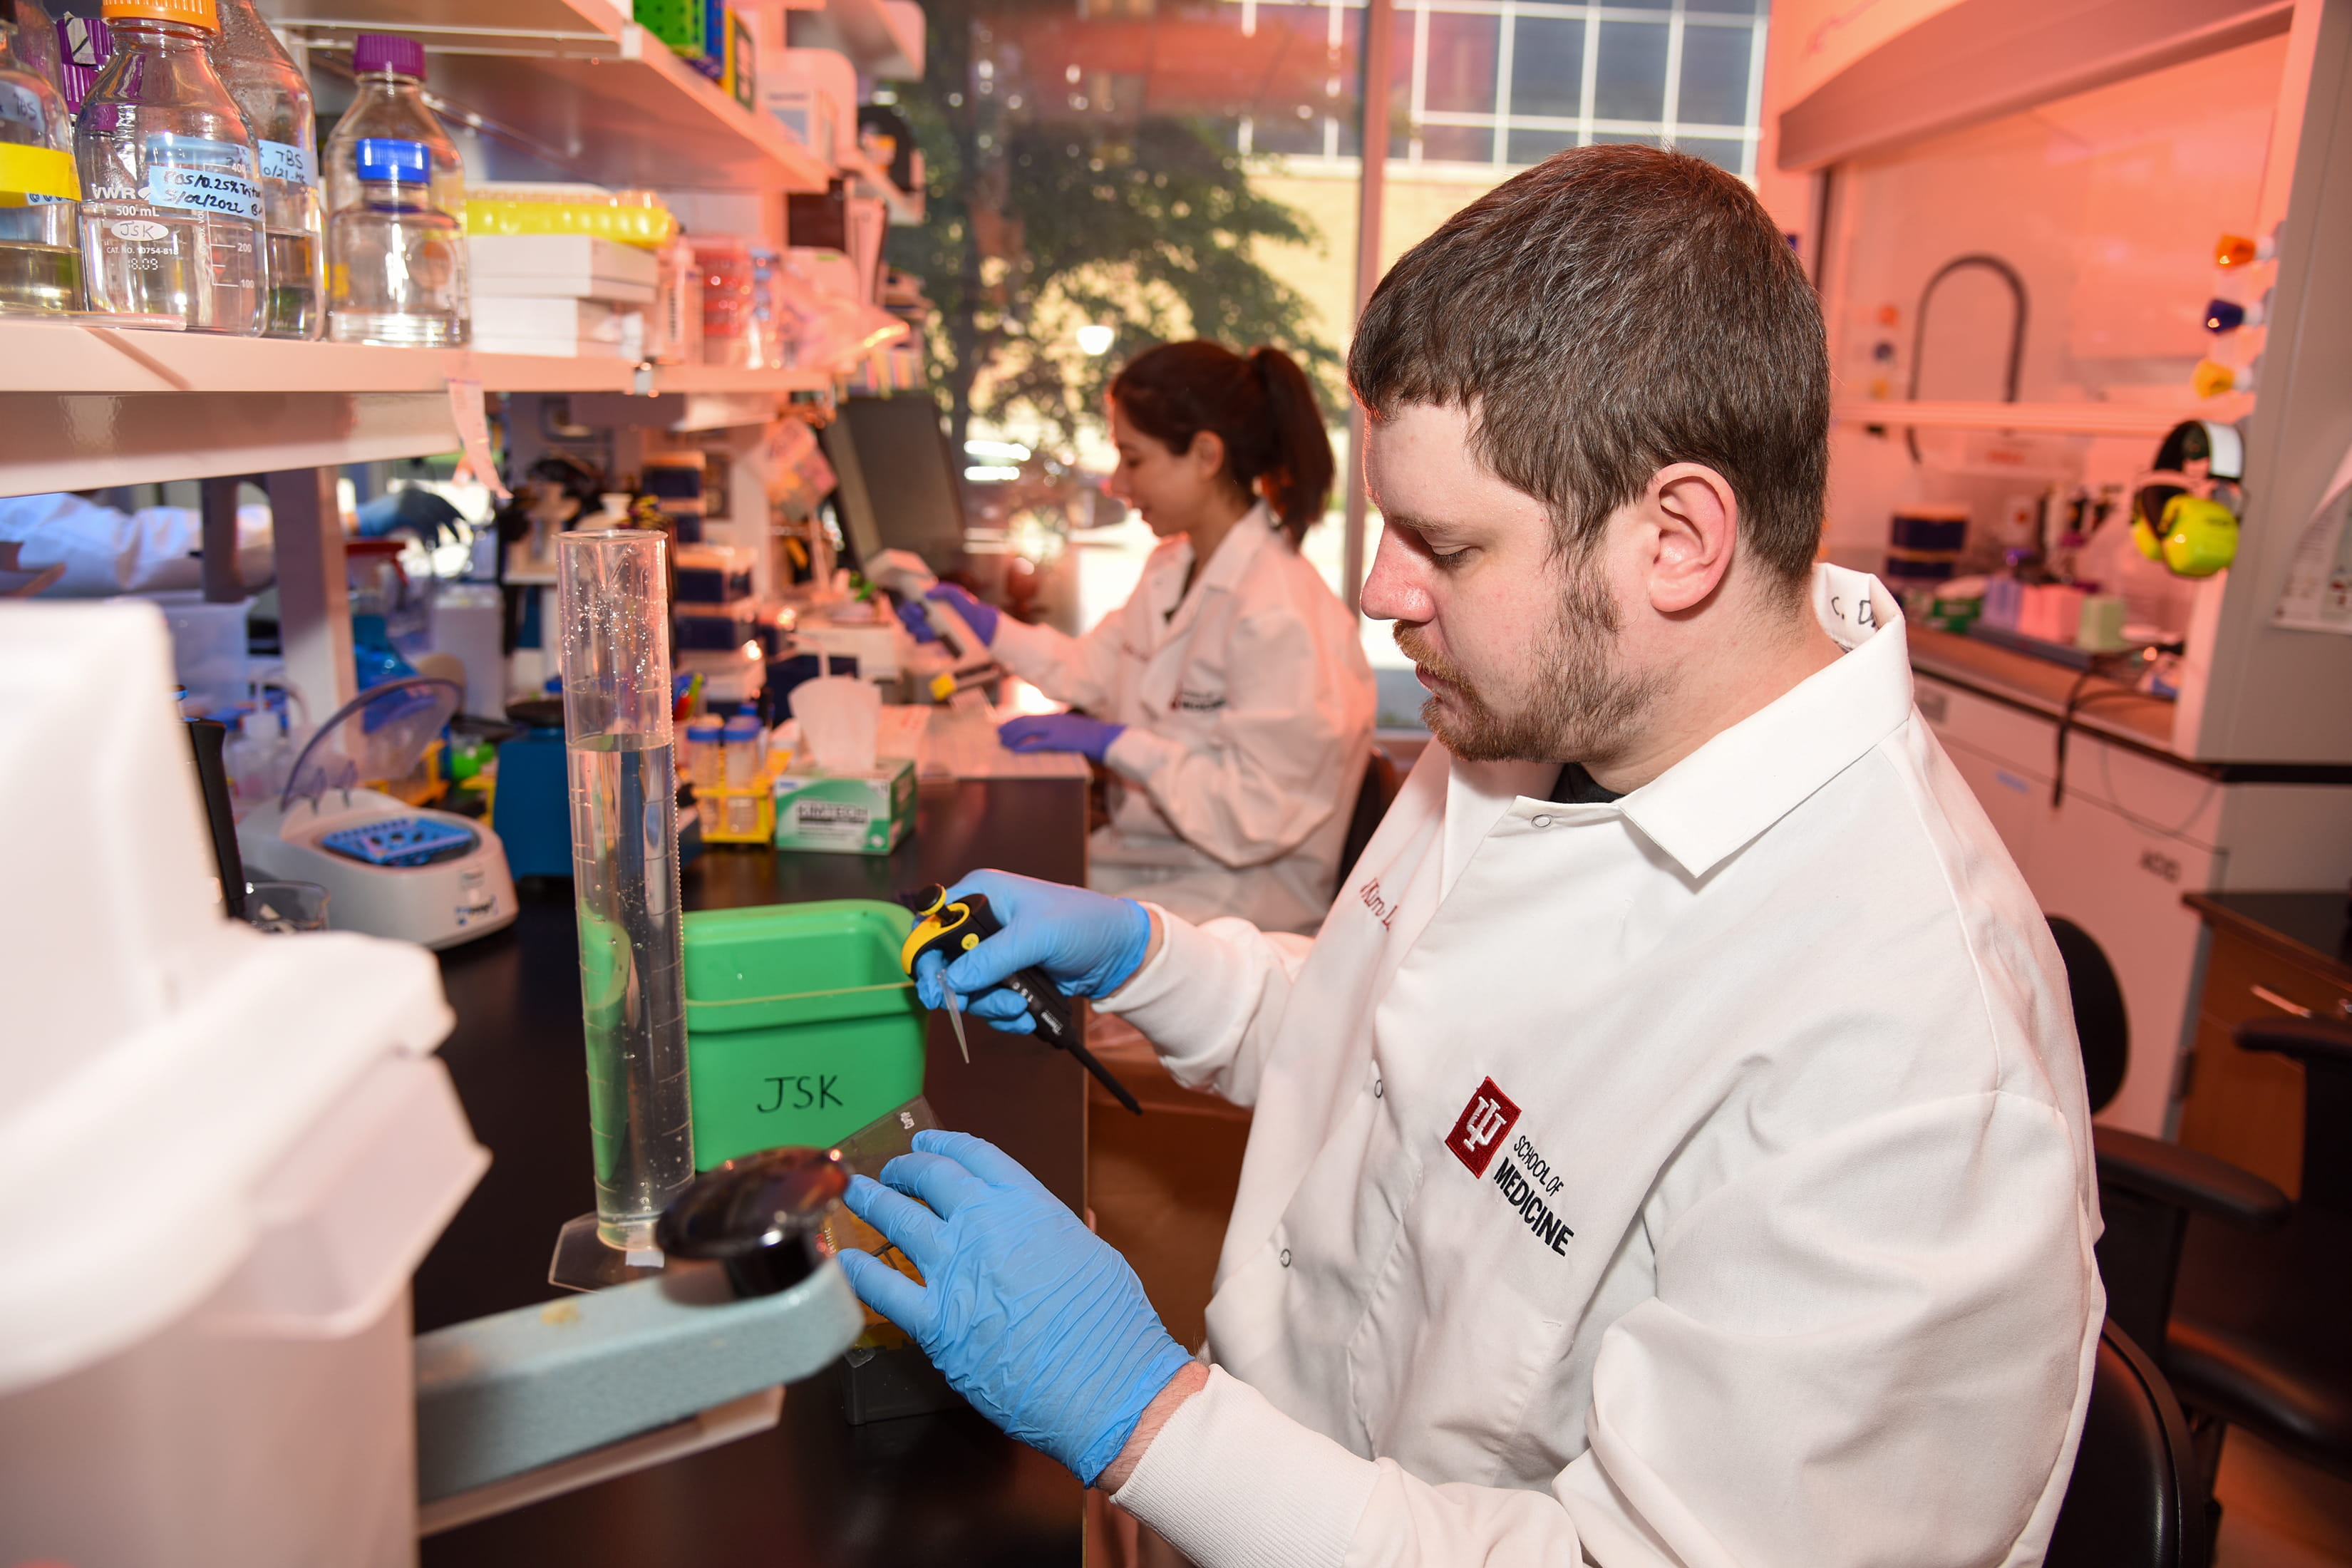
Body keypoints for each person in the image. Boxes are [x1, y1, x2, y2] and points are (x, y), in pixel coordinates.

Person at [837, 146, 2103, 1567]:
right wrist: (1155, 958)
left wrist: (1149, 1419)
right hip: (1253, 1472)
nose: (1381, 591)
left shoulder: (1915, 1060)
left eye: (1440, 541)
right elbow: (1397, 1047)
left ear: (1675, 536)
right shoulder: (1549, 707)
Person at [901, 341, 1377, 934]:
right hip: (1155, 863)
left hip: (1239, 904)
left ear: (1205, 454)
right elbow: (1087, 672)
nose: (1115, 483)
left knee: (983, 926)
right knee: (968, 890)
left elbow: (1254, 815)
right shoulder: (1171, 566)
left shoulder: (1281, 614)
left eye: (1133, 458)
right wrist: (984, 625)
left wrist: (1118, 743)